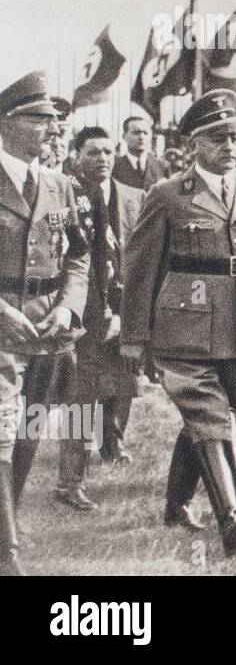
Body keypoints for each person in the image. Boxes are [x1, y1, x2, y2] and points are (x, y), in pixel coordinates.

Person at [121, 89, 236, 554]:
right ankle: (232, 515)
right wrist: (133, 334)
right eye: (219, 138)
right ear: (195, 145)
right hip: (186, 322)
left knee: (227, 412)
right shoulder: (167, 195)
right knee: (208, 412)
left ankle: (177, 502)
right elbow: (141, 265)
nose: (232, 146)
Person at [0, 72, 90, 576]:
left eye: (54, 120)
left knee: (30, 432)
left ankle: (3, 525)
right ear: (7, 124)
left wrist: (68, 306)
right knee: (1, 431)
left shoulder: (59, 185)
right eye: (39, 118)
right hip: (2, 324)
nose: (52, 129)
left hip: (48, 329)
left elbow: (79, 256)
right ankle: (8, 557)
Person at [54, 127, 135, 514]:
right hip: (74, 311)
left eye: (107, 152)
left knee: (92, 393)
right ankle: (69, 482)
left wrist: (115, 309)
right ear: (75, 155)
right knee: (76, 397)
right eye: (92, 153)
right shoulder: (68, 192)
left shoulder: (108, 195)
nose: (101, 159)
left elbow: (113, 261)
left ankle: (74, 478)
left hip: (102, 309)